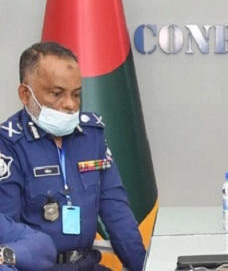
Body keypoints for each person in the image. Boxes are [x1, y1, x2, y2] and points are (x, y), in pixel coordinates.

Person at [0, 42, 146, 271]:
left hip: (87, 265)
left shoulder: (91, 135)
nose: (70, 105)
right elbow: (6, 235)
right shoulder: (8, 145)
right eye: (57, 94)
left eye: (76, 94)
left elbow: (117, 214)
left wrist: (144, 267)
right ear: (25, 94)